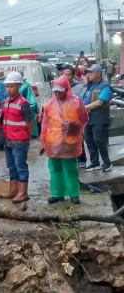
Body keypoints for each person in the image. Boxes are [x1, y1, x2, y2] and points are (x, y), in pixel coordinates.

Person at [41, 76, 88, 205]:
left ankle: (73, 194)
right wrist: (43, 141)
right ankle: (57, 194)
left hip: (70, 142)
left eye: (60, 91)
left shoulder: (76, 102)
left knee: (71, 168)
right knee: (55, 168)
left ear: (66, 89)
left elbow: (84, 118)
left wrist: (76, 129)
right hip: (53, 142)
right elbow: (45, 124)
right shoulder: (49, 104)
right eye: (55, 91)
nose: (57, 94)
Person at [0, 72, 33, 203]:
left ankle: (22, 192)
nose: (8, 89)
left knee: (21, 167)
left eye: (11, 86)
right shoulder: (6, 102)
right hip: (8, 140)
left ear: (19, 86)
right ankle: (13, 191)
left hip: (19, 141)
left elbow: (29, 123)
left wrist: (27, 137)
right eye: (7, 87)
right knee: (11, 166)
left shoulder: (23, 103)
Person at [82, 64, 113, 172]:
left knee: (99, 140)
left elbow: (100, 102)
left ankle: (107, 163)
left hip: (99, 117)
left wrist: (83, 108)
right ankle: (95, 162)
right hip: (88, 118)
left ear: (98, 74)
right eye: (88, 72)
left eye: (91, 72)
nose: (88, 74)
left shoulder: (105, 86)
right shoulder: (88, 86)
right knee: (89, 140)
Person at [63, 65, 87, 168]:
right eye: (65, 74)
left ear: (73, 75)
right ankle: (69, 158)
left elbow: (82, 102)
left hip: (75, 118)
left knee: (77, 139)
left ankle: (81, 159)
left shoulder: (79, 87)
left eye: (69, 74)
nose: (67, 77)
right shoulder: (59, 87)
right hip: (63, 118)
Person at [17, 70, 40, 138]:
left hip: (24, 107)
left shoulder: (26, 85)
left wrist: (32, 106)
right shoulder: (21, 85)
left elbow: (31, 98)